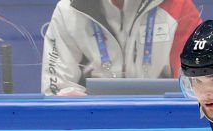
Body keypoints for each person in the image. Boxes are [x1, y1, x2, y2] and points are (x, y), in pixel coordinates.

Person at [41, 0, 202, 96]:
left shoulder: (178, 6)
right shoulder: (69, 10)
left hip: (162, 126)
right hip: (91, 129)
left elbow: (195, 87)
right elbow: (57, 91)